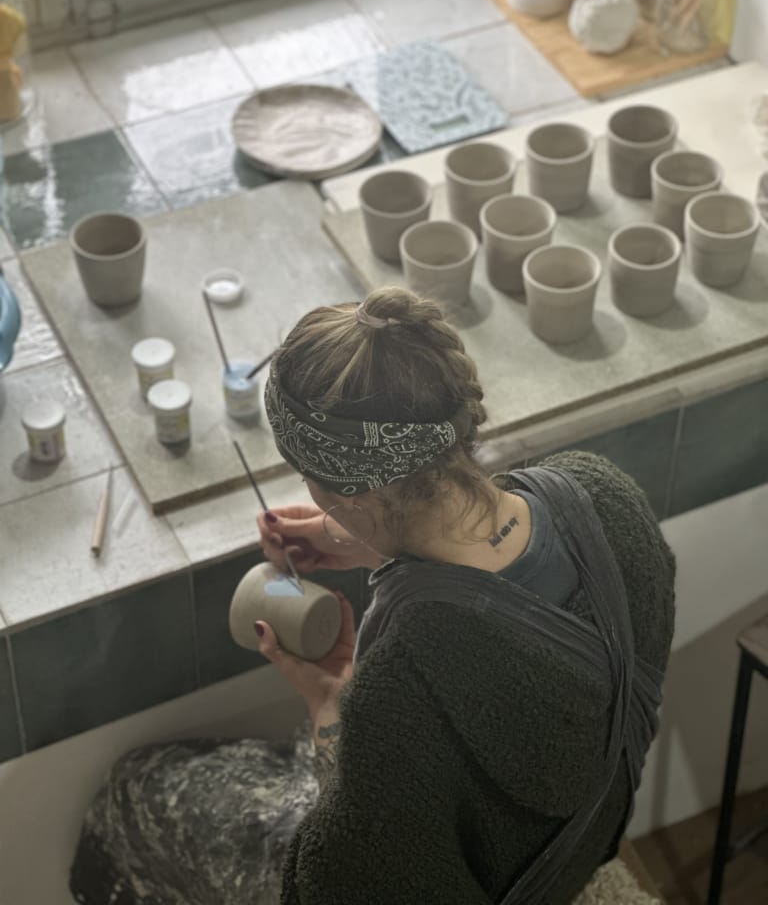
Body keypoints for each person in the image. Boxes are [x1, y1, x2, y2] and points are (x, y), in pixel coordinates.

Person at [70, 286, 675, 905]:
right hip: (582, 836)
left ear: (355, 494)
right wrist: (371, 540)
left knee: (134, 792)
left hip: (504, 880)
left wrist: (332, 709)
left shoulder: (406, 679)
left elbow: (345, 886)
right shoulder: (607, 498)